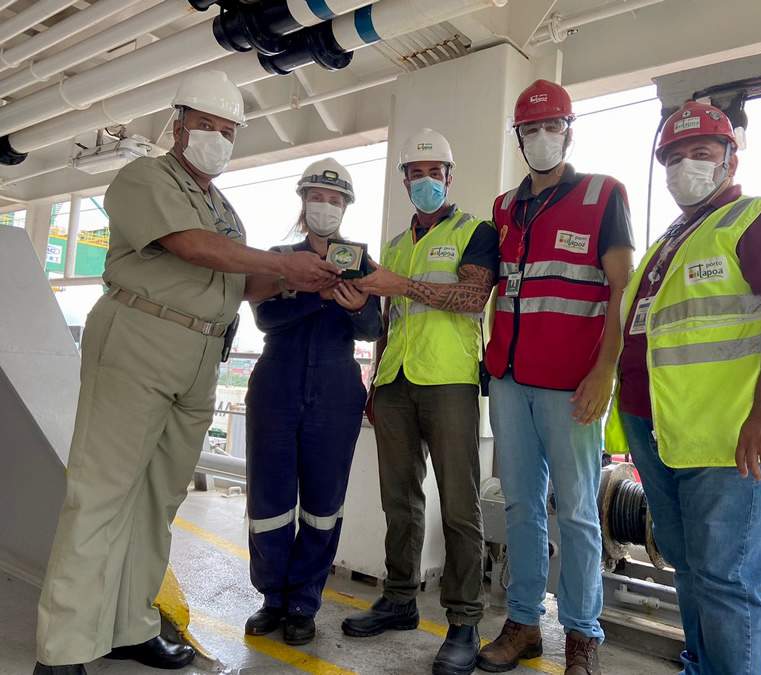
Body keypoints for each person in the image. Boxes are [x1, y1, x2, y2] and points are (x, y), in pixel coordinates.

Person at [33, 70, 338, 675]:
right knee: (102, 492)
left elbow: (239, 283)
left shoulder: (223, 208)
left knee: (157, 498)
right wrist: (285, 261)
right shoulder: (145, 176)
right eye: (208, 127)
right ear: (180, 126)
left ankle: (130, 624)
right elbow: (191, 247)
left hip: (202, 355)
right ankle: (63, 648)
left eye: (229, 132)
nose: (218, 140)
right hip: (141, 338)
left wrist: (308, 276)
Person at [604, 101, 761, 675]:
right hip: (664, 433)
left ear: (729, 158)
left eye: (700, 154)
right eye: (673, 158)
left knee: (727, 579)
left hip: (730, 440)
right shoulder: (671, 241)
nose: (685, 167)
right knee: (689, 566)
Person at [476, 80, 633, 675]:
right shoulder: (504, 207)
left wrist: (605, 372)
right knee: (520, 506)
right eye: (530, 131)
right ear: (518, 139)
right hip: (510, 381)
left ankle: (582, 636)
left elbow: (620, 289)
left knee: (578, 513)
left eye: (551, 128)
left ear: (569, 132)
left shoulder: (603, 195)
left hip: (573, 384)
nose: (541, 139)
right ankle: (522, 624)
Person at [340, 128, 498, 675]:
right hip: (396, 384)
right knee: (399, 499)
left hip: (450, 381)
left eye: (436, 172)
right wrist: (376, 380)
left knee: (460, 505)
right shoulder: (394, 244)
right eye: (417, 173)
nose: (426, 180)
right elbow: (388, 317)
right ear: (404, 180)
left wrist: (399, 284)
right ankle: (400, 597)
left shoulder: (477, 231)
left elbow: (473, 297)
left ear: (450, 178)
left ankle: (464, 620)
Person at [243, 158, 382, 645]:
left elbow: (372, 329)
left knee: (323, 504)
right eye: (317, 198)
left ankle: (304, 602)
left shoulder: (362, 262)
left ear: (346, 206)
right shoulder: (279, 256)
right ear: (303, 202)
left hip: (336, 390)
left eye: (335, 199)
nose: (326, 206)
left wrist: (360, 304)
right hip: (276, 384)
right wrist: (316, 294)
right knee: (269, 499)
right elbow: (265, 320)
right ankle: (272, 599)